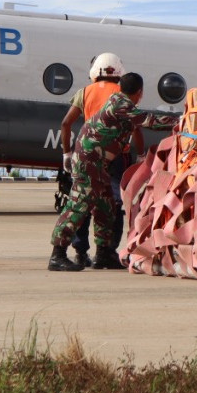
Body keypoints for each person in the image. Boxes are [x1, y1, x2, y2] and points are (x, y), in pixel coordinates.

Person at [49, 72, 177, 271]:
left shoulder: (121, 103)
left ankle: (104, 254)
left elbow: (137, 125)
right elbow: (148, 121)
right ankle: (57, 254)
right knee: (79, 205)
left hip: (97, 162)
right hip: (89, 161)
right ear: (140, 92)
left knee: (106, 207)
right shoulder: (121, 104)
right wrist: (180, 121)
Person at [60, 53, 138, 267]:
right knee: (112, 204)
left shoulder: (84, 92)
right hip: (116, 157)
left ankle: (80, 252)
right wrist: (139, 154)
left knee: (83, 203)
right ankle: (106, 252)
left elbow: (66, 124)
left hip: (88, 155)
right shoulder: (123, 93)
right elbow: (135, 125)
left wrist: (67, 153)